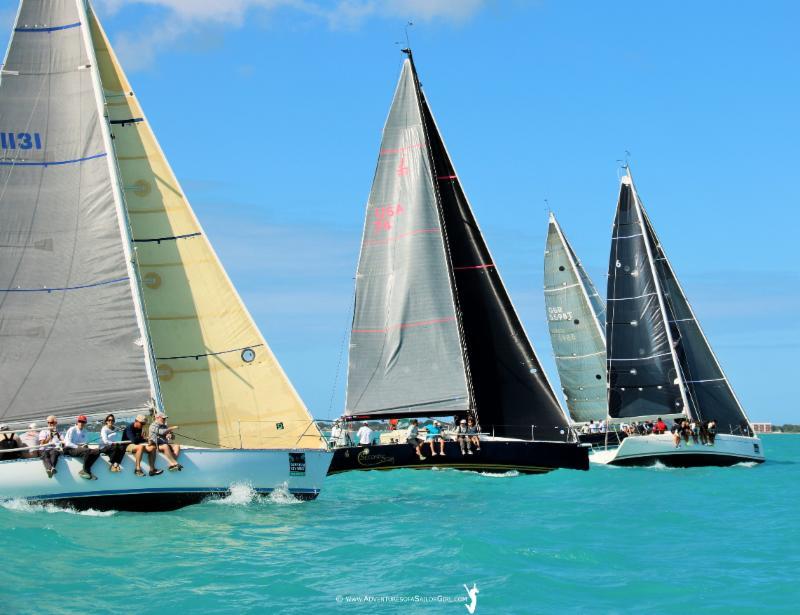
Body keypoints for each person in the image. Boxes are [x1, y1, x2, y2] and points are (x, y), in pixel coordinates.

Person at [63, 415, 101, 480]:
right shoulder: (72, 429)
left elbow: (84, 443)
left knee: (97, 451)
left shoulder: (85, 431)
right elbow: (67, 443)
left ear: (85, 423)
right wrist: (79, 447)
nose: (81, 423)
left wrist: (85, 446)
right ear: (77, 422)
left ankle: (85, 470)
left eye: (83, 422)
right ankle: (87, 471)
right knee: (86, 451)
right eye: (80, 421)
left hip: (79, 449)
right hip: (69, 449)